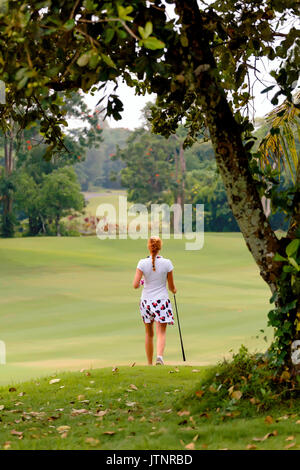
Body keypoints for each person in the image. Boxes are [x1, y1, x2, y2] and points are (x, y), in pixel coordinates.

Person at [133, 236, 177, 366]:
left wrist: (142, 281)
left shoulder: (142, 263)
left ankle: (149, 364)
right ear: (160, 247)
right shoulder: (167, 263)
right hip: (161, 301)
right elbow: (171, 287)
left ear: (149, 246)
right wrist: (174, 290)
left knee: (149, 333)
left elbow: (135, 285)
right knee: (161, 332)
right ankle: (159, 357)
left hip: (146, 302)